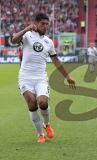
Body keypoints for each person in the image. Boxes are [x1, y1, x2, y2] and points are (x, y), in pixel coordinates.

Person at [12, 13, 76, 143]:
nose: (45, 26)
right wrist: (26, 29)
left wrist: (68, 76)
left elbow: (56, 61)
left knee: (43, 102)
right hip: (25, 77)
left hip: (40, 78)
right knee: (31, 103)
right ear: (36, 23)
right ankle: (40, 134)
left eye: (47, 24)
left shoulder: (49, 42)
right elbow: (13, 40)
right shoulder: (27, 36)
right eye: (43, 24)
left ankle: (47, 124)